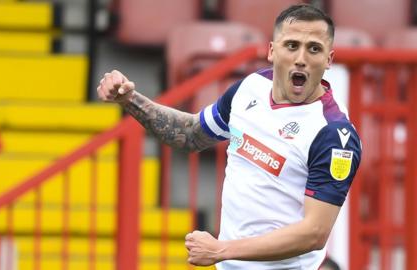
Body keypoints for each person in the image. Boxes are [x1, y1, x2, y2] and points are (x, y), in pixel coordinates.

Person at [97, 4, 361, 270]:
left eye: (314, 48)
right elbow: (191, 134)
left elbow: (314, 233)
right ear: (272, 51)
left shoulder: (334, 134)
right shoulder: (250, 88)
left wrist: (221, 250)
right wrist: (130, 99)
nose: (301, 58)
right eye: (291, 45)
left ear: (329, 59)